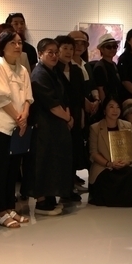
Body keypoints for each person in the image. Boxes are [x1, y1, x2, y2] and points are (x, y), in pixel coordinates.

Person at [0, 29, 33, 228]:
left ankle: (9, 207)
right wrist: (18, 117)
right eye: (12, 43)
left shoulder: (22, 70)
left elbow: (28, 97)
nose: (17, 46)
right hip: (1, 127)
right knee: (0, 171)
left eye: (20, 42)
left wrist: (25, 115)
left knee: (13, 172)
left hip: (18, 127)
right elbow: (0, 97)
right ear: (3, 46)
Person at [30, 38, 75, 215]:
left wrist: (68, 116)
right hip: (44, 125)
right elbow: (51, 102)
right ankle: (41, 202)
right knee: (43, 162)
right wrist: (67, 117)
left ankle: (50, 198)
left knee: (54, 162)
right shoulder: (39, 74)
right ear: (40, 53)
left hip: (56, 124)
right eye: (50, 52)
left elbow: (64, 97)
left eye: (56, 52)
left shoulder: (54, 71)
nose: (54, 56)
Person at [88, 96, 132, 207]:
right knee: (108, 177)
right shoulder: (95, 128)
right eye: (111, 107)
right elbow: (93, 153)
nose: (115, 110)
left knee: (131, 173)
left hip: (122, 163)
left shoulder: (127, 125)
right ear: (104, 110)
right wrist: (110, 164)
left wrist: (129, 158)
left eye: (118, 107)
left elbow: (129, 150)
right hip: (104, 166)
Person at [55, 35, 89, 201]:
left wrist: (81, 115)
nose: (69, 52)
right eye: (65, 48)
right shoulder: (54, 70)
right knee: (61, 154)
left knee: (74, 151)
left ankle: (69, 189)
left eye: (71, 48)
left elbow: (81, 96)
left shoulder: (76, 70)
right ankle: (60, 189)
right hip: (59, 116)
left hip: (75, 114)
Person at [68, 30, 99, 191]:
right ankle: (70, 180)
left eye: (83, 43)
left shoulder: (85, 64)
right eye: (76, 43)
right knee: (73, 145)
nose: (79, 46)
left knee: (83, 144)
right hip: (73, 110)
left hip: (88, 111)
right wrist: (83, 102)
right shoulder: (66, 65)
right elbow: (72, 91)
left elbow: (92, 85)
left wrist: (96, 100)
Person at [93, 34, 122, 102]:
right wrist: (105, 107)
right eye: (108, 47)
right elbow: (101, 90)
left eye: (114, 46)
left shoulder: (114, 65)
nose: (112, 49)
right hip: (108, 104)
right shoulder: (99, 67)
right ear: (102, 49)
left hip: (116, 102)